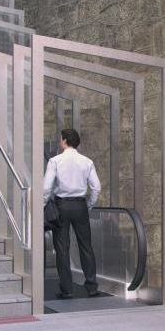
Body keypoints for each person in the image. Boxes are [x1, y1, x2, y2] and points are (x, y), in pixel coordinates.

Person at [43, 128, 101, 299]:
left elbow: (46, 188)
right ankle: (91, 287)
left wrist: (43, 205)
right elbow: (96, 187)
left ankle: (67, 290)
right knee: (86, 247)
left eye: (61, 138)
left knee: (62, 248)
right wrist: (88, 205)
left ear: (64, 141)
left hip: (61, 206)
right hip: (80, 206)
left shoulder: (55, 161)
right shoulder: (87, 161)